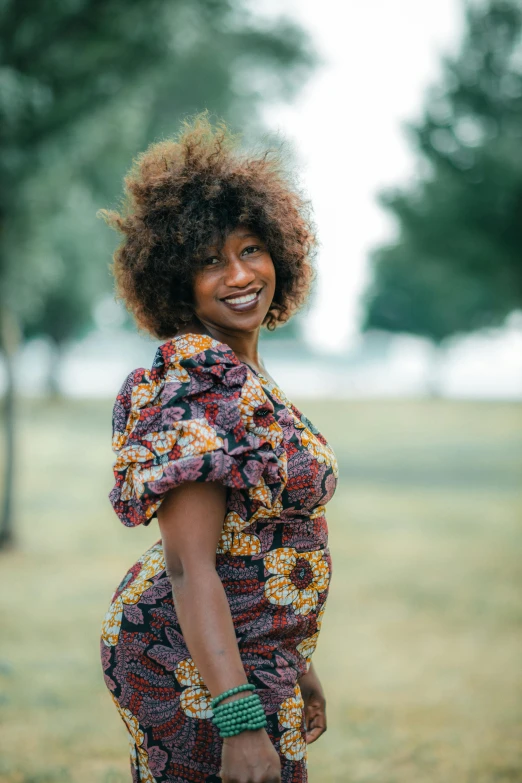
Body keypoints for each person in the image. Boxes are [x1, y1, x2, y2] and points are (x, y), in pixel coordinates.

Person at [99, 113, 338, 783]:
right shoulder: (199, 378)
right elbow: (187, 564)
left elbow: (258, 535)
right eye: (210, 260)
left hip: (250, 650)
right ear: (176, 280)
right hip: (185, 656)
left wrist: (296, 658)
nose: (238, 274)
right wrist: (237, 717)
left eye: (251, 248)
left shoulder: (243, 373)